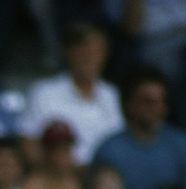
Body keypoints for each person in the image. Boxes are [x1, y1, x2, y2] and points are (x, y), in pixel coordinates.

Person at [91, 66, 186, 189]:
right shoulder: (110, 150)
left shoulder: (182, 144)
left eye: (160, 102)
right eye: (147, 102)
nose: (156, 108)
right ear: (129, 105)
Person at [18, 22, 123, 168]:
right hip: (60, 177)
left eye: (96, 51)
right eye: (83, 50)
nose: (89, 57)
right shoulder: (43, 92)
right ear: (67, 52)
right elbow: (28, 143)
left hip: (106, 178)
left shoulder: (112, 94)